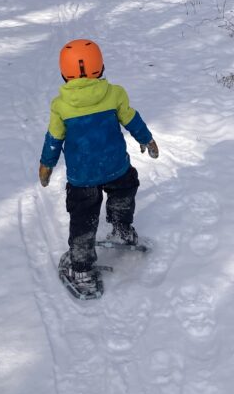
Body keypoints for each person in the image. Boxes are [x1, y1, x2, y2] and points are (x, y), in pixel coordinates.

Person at [39, 39, 160, 298]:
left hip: (82, 178)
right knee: (124, 194)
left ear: (64, 73)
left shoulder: (60, 106)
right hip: (117, 167)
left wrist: (46, 164)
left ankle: (81, 267)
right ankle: (122, 229)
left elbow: (54, 138)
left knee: (83, 218)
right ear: (101, 67)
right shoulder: (115, 94)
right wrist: (146, 138)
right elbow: (131, 118)